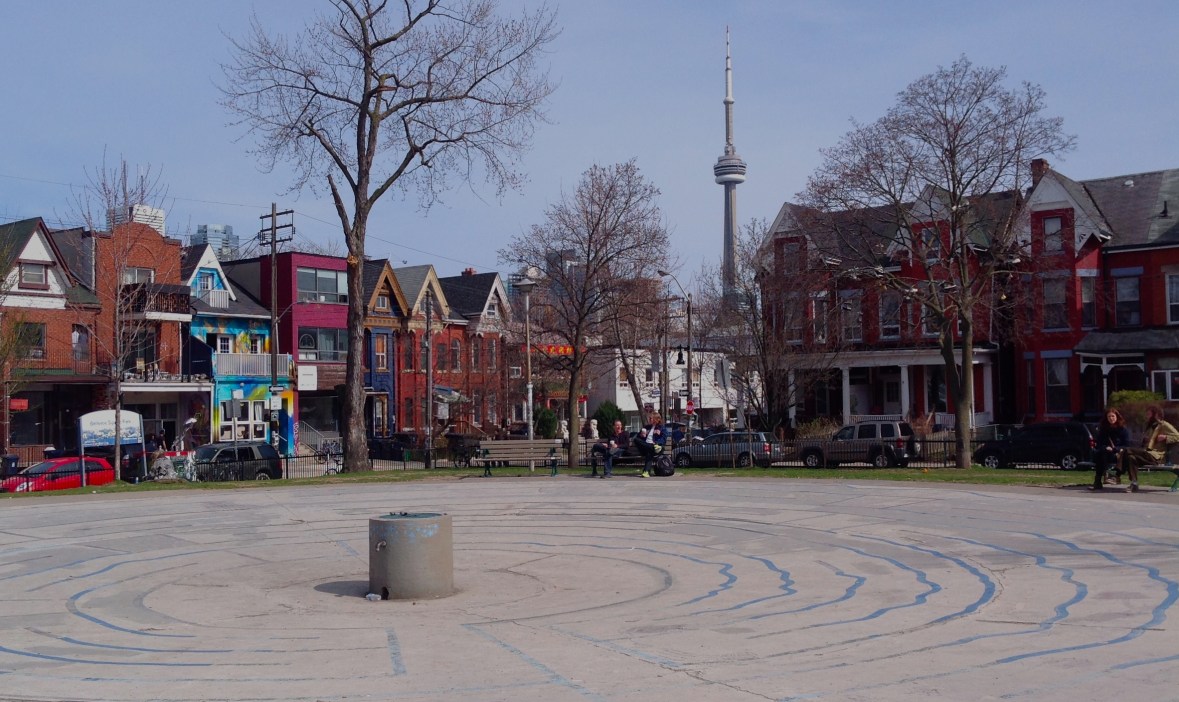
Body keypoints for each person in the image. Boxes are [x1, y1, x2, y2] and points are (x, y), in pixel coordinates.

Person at [1117, 405, 1179, 492]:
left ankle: (1117, 474)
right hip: (1146, 453)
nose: (1146, 416)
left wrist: (1166, 437)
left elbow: (1177, 436)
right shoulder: (1149, 427)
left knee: (1127, 450)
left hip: (1156, 456)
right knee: (1131, 458)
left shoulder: (1164, 425)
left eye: (1148, 414)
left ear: (1156, 414)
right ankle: (1134, 484)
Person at [1089, 408, 1130, 490]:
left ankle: (1110, 477)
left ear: (1117, 417)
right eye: (1109, 416)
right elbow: (1099, 443)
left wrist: (1115, 449)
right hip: (1105, 453)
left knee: (1102, 456)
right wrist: (1105, 447)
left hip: (1118, 454)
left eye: (1113, 416)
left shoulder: (1123, 429)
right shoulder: (1103, 429)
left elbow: (1126, 445)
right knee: (1100, 454)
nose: (1111, 418)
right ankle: (1098, 481)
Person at [635, 413, 666, 478]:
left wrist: (657, 442)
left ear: (656, 419)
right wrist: (641, 435)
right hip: (649, 447)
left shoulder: (661, 428)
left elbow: (664, 439)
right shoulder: (646, 427)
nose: (649, 419)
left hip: (656, 448)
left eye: (651, 418)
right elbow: (638, 437)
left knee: (649, 452)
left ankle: (646, 472)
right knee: (636, 440)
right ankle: (651, 447)